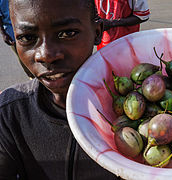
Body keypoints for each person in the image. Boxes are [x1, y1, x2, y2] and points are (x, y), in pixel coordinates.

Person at [0, 0, 120, 179]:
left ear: (97, 32)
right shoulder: (11, 114)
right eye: (27, 38)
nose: (46, 55)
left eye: (67, 33)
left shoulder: (142, 113)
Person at [0, 0, 34, 78]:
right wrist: (3, 34)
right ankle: (32, 77)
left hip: (29, 25)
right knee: (23, 55)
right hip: (12, 30)